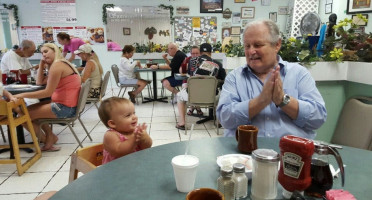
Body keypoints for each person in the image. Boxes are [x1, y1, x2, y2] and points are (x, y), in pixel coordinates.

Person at [217, 19, 327, 139]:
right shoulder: (235, 78)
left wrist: (282, 100)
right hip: (245, 153)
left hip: (291, 153)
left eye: (258, 45)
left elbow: (318, 118)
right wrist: (260, 101)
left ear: (277, 45)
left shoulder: (299, 74)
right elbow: (225, 119)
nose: (251, 51)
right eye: (247, 46)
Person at [13, 43, 81, 151]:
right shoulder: (59, 64)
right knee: (25, 110)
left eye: (46, 51)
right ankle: (50, 137)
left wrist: (22, 95)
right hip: (66, 106)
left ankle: (47, 140)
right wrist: (41, 64)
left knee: (21, 117)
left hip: (64, 108)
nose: (43, 55)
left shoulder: (57, 65)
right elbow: (40, 82)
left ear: (55, 51)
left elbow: (47, 93)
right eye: (41, 53)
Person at [176, 43, 226, 130]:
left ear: (200, 51)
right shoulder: (218, 64)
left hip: (193, 96)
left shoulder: (192, 61)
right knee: (222, 96)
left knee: (179, 96)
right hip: (212, 97)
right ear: (211, 52)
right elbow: (224, 81)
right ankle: (219, 122)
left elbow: (191, 77)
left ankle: (182, 123)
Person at [98, 97, 152, 164]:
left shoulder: (135, 131)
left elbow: (147, 147)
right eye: (128, 115)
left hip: (135, 167)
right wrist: (134, 139)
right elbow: (119, 152)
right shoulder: (110, 135)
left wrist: (144, 138)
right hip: (116, 171)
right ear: (112, 123)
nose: (134, 117)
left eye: (134, 113)